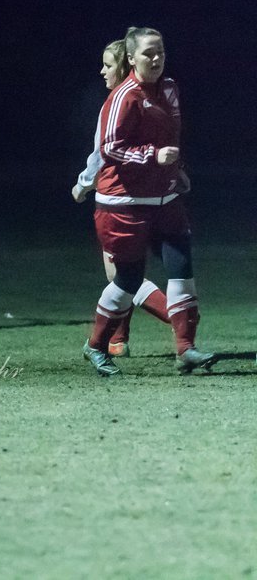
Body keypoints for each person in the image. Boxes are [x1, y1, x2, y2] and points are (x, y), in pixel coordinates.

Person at [81, 26, 217, 377]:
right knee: (128, 278)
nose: (156, 59)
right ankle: (96, 346)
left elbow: (170, 137)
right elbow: (110, 147)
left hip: (165, 198)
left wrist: (177, 169)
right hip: (122, 203)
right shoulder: (122, 96)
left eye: (160, 52)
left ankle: (186, 349)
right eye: (148, 53)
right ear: (131, 58)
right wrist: (153, 157)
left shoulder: (170, 89)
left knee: (181, 266)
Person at [72, 39, 174, 358]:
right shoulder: (146, 100)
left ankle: (181, 322)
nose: (102, 71)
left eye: (108, 64)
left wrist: (83, 184)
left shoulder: (118, 102)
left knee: (122, 276)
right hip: (145, 199)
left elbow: (102, 153)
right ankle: (118, 339)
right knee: (124, 273)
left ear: (125, 66)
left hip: (120, 202)